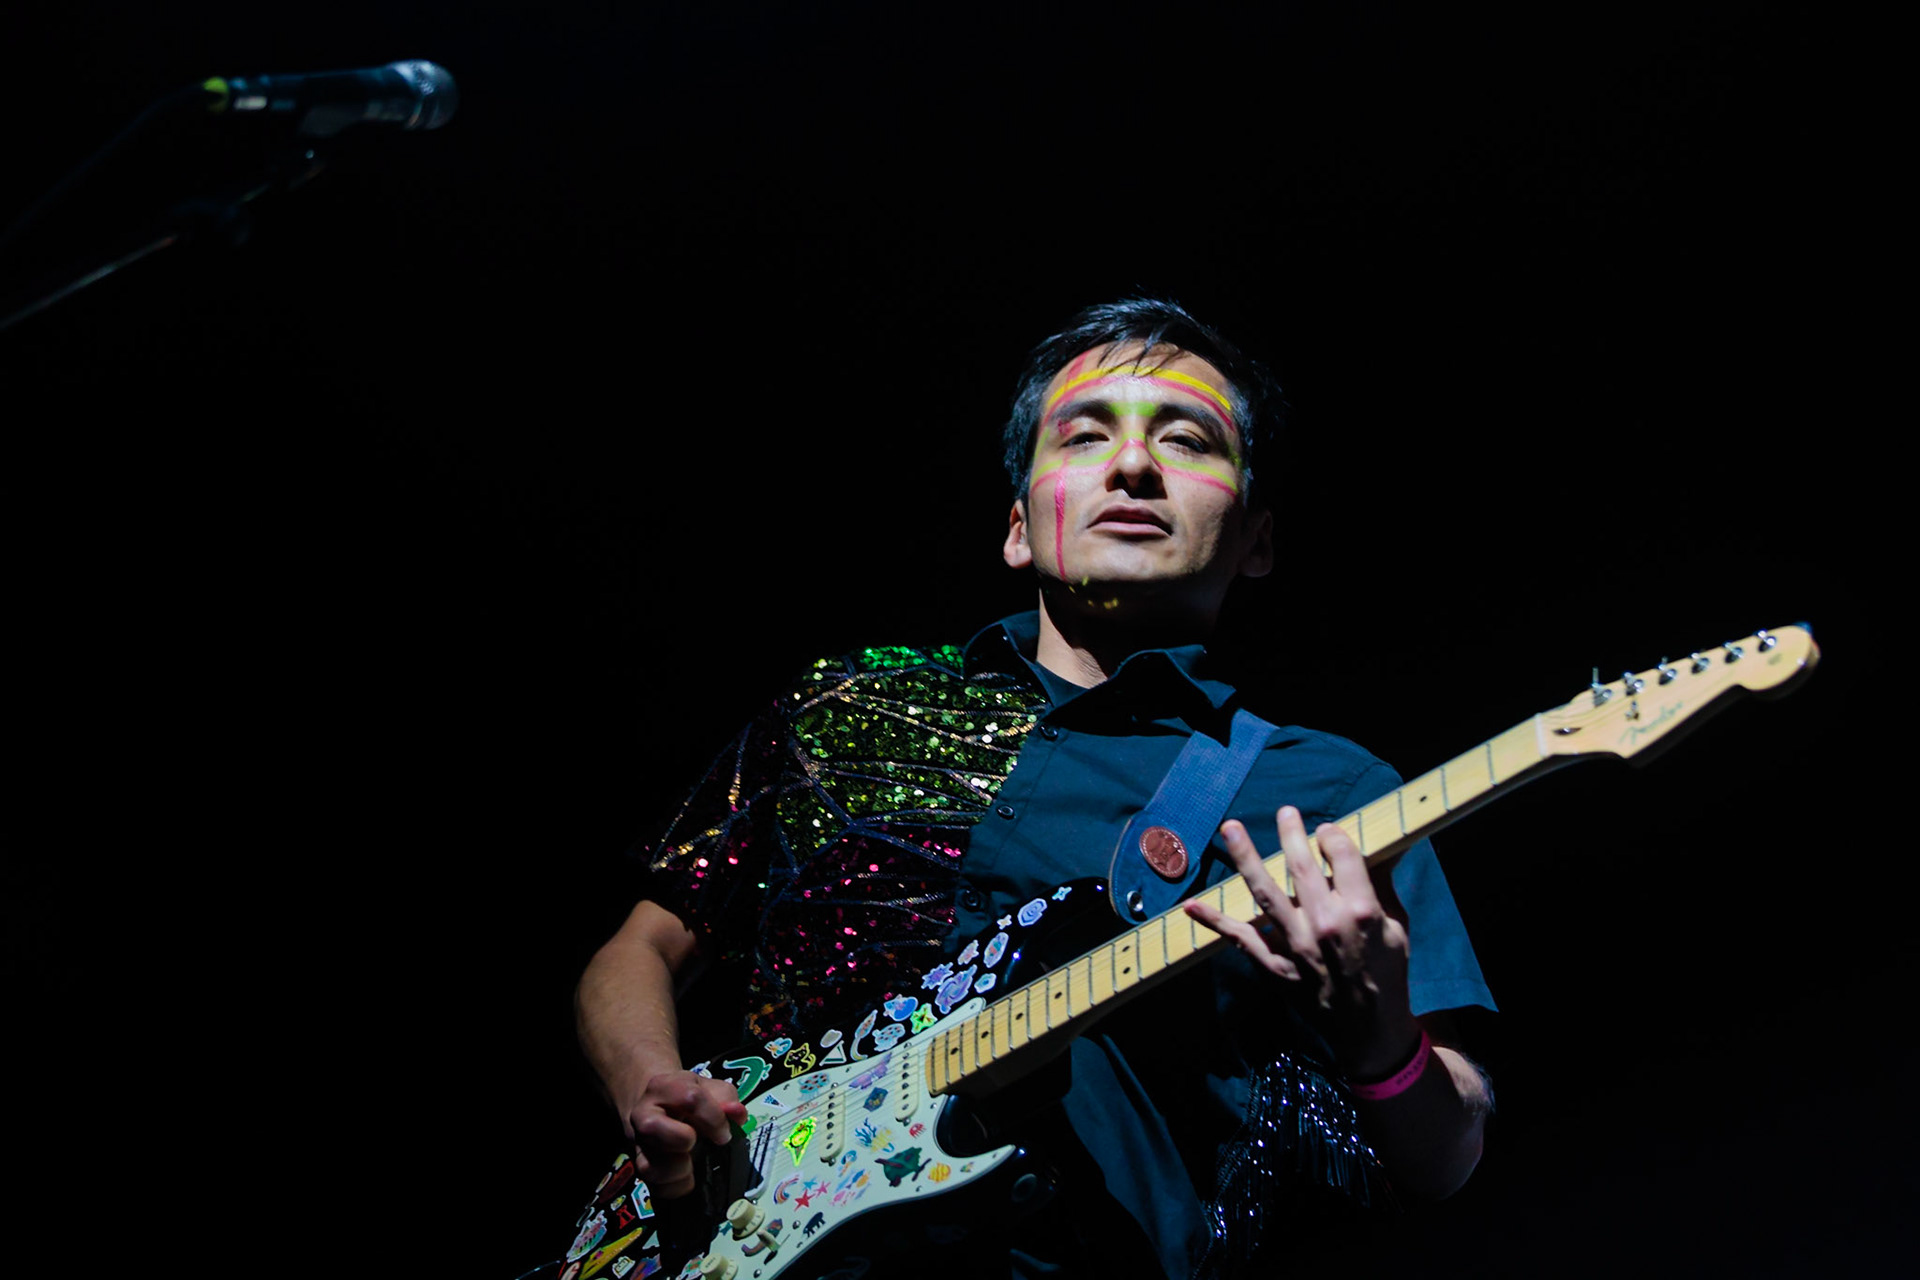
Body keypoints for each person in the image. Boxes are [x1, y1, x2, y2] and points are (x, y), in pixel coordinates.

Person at [573, 299, 1496, 1279]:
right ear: (1018, 526)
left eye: (1186, 439)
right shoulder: (852, 706)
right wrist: (650, 1082)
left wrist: (1381, 1033)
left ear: (1258, 539)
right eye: (1086, 434)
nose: (1133, 466)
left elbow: (1446, 1155)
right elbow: (639, 945)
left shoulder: (1329, 790)